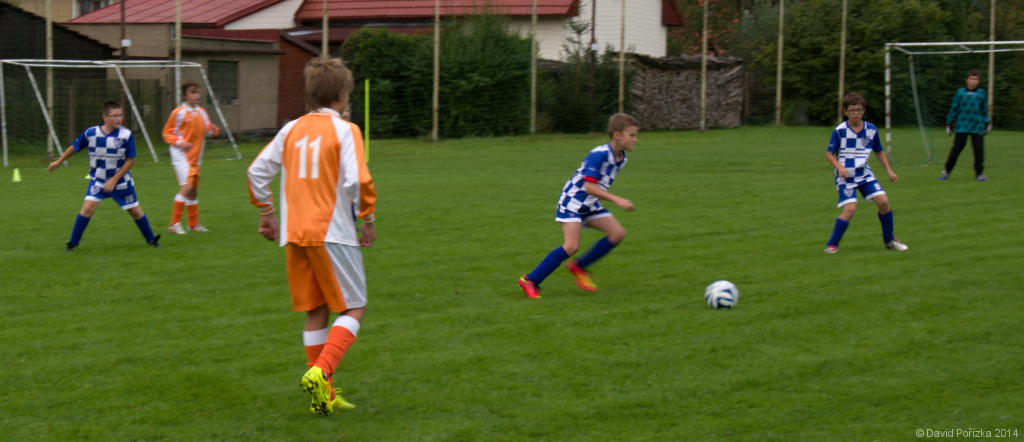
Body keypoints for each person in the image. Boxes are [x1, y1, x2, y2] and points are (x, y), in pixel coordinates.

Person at [247, 57, 377, 416]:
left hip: (294, 234)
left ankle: (323, 395)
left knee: (316, 308)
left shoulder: (290, 129)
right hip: (332, 232)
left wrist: (267, 214)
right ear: (341, 94)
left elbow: (256, 173)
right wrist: (367, 217)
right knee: (355, 306)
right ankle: (323, 370)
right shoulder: (346, 130)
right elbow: (357, 179)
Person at [517, 113, 639, 299]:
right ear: (617, 135)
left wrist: (600, 199)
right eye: (632, 135)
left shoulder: (621, 158)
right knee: (571, 246)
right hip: (572, 202)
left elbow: (601, 183)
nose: (635, 139)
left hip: (591, 203)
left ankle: (579, 267)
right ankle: (530, 280)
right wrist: (617, 200)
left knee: (617, 234)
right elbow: (589, 186)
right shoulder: (599, 154)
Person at [48, 101, 161, 251]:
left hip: (121, 182)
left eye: (120, 115)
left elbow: (131, 160)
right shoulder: (91, 133)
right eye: (114, 116)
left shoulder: (126, 135)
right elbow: (75, 147)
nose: (119, 118)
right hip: (98, 181)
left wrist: (114, 180)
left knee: (135, 211)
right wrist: (59, 161)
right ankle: (72, 243)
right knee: (87, 209)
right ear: (105, 117)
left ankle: (152, 240)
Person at [824, 92, 907, 254]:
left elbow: (879, 151)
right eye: (852, 110)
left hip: (864, 175)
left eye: (859, 110)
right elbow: (829, 154)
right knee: (850, 209)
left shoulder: (871, 130)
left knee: (884, 202)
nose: (856, 113)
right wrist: (840, 167)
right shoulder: (840, 131)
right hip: (846, 177)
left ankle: (889, 240)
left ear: (864, 111)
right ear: (845, 111)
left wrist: (889, 170)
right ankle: (832, 244)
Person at [162, 81, 220, 234]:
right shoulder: (178, 112)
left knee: (193, 190)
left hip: (196, 157)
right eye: (193, 92)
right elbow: (167, 132)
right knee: (187, 187)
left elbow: (209, 130)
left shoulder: (202, 112)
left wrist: (214, 130)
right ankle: (174, 224)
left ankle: (193, 225)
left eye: (198, 92)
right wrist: (179, 143)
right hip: (181, 155)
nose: (197, 95)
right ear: (185, 95)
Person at [940, 69, 991, 181]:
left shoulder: (981, 93)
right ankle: (947, 171)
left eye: (976, 79)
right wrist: (949, 123)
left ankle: (979, 174)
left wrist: (987, 122)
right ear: (967, 80)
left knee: (979, 150)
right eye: (971, 79)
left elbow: (984, 110)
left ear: (979, 81)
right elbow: (954, 108)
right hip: (962, 125)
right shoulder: (960, 93)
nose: (973, 81)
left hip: (977, 126)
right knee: (956, 149)